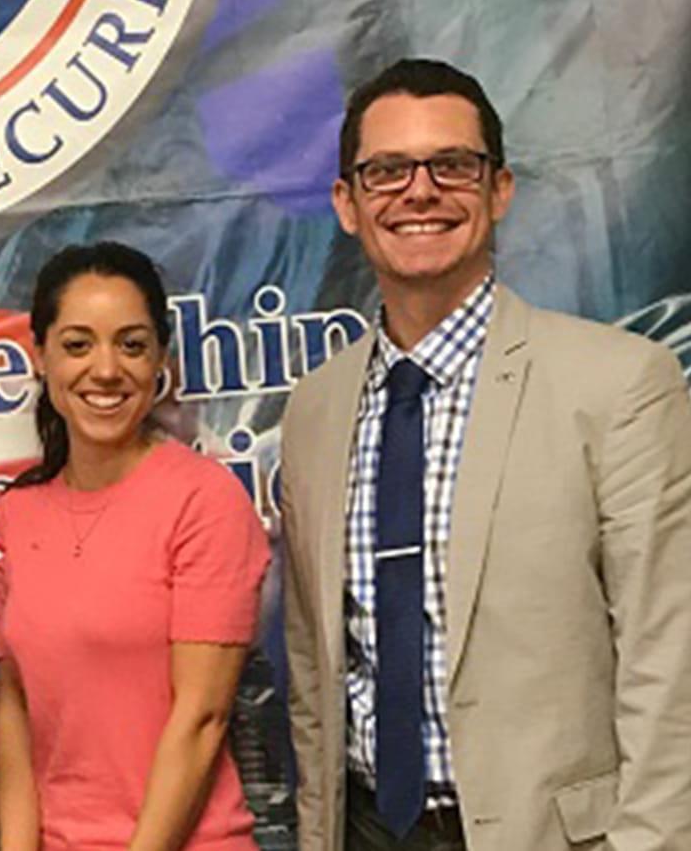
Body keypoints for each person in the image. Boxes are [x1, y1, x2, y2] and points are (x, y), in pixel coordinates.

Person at [279, 58, 691, 850]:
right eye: (387, 170)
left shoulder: (618, 385)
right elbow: (313, 668)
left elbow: (669, 662)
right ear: (347, 204)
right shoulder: (315, 412)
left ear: (500, 190)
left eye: (452, 165)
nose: (420, 191)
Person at [0, 241, 270, 851]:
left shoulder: (204, 500)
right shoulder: (17, 513)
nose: (106, 369)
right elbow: (15, 708)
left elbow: (201, 719)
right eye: (78, 344)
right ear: (39, 356)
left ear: (160, 359)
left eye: (132, 345)